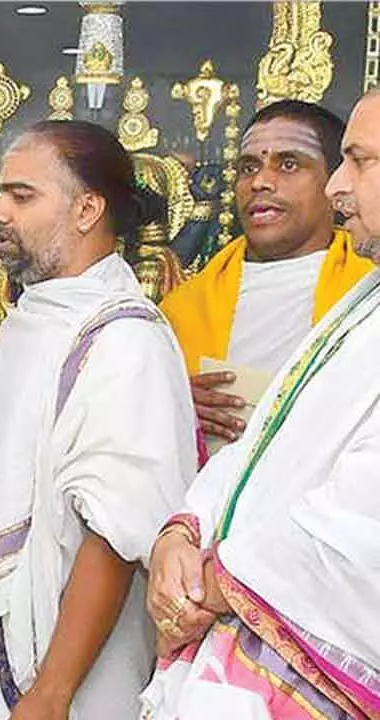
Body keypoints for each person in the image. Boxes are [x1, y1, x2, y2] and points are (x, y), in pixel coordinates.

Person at [0, 120, 196, 719]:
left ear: (88, 208)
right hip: (1, 662)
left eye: (21, 195)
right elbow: (18, 472)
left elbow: (115, 533)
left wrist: (50, 694)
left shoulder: (125, 340)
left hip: (69, 683)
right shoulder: (33, 318)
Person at [141, 90, 380, 720]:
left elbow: (362, 521)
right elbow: (266, 449)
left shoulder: (353, 293)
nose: (338, 187)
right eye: (249, 166)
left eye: (357, 161)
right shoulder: (365, 307)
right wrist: (179, 531)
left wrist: (212, 584)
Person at [160, 100, 370, 453]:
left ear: (334, 182)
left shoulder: (368, 291)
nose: (260, 181)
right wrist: (170, 409)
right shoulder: (182, 308)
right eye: (248, 167)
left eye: (288, 164)